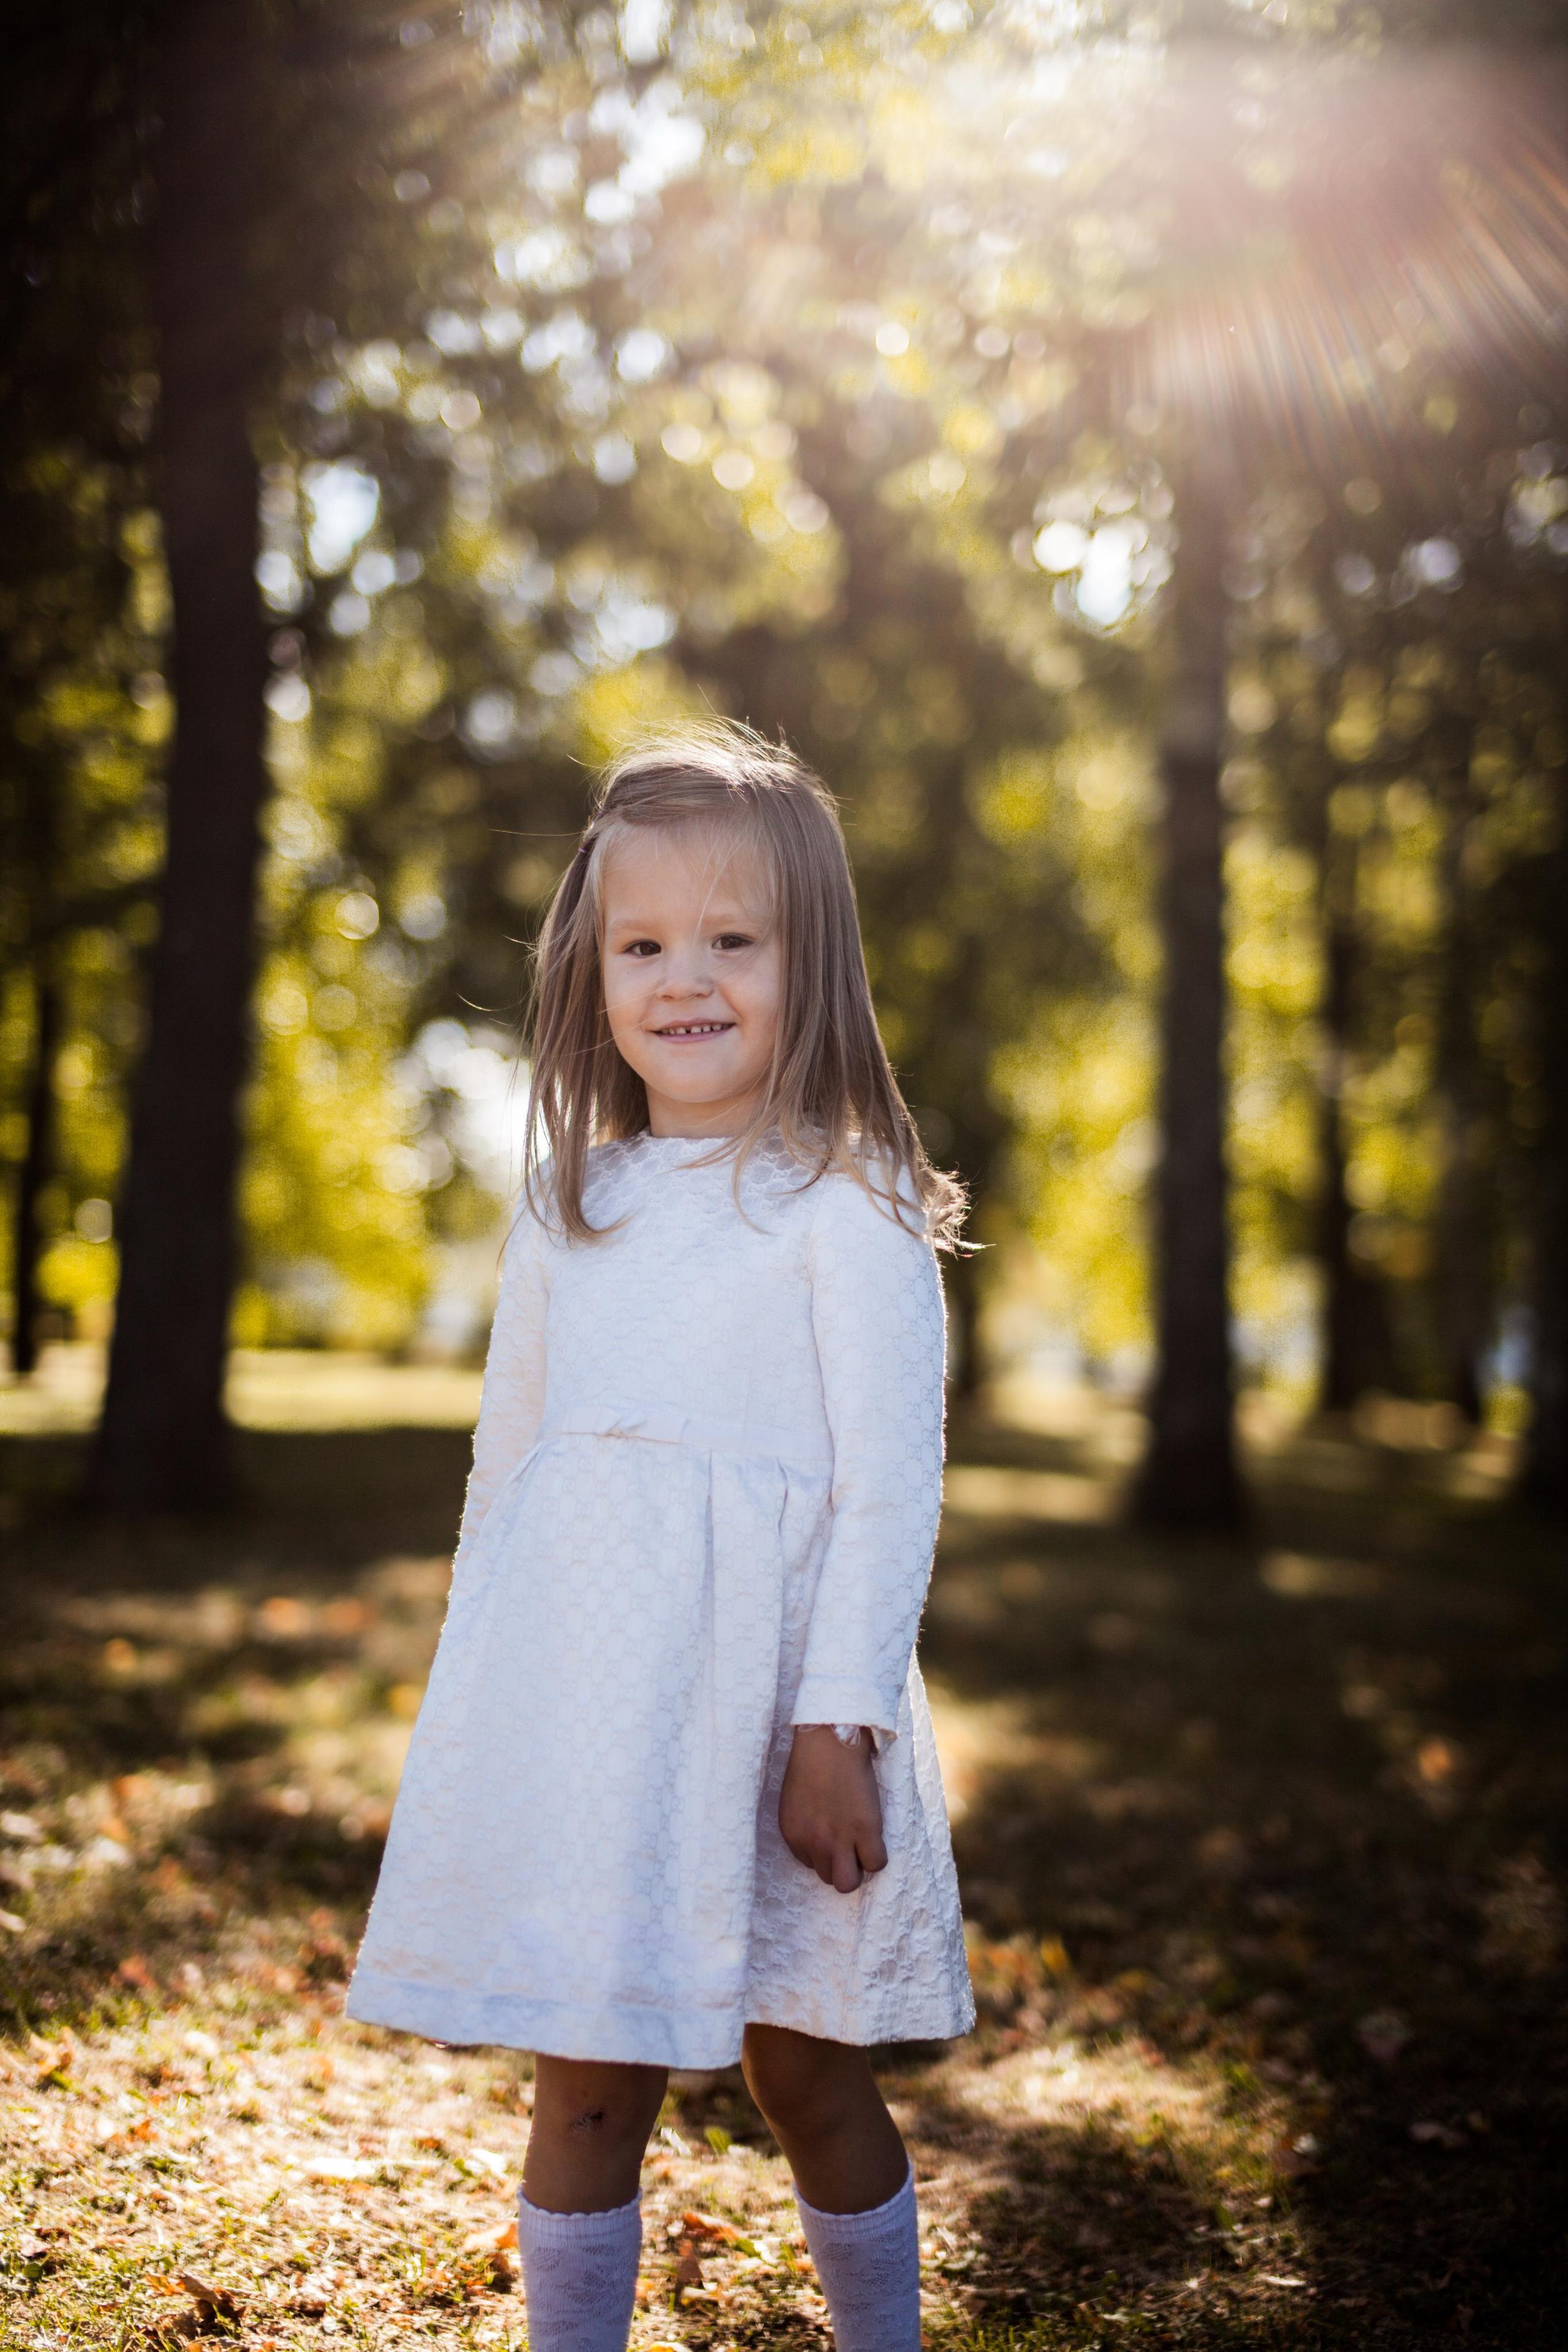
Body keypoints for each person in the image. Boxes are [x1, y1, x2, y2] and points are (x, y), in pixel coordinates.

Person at [345, 724, 973, 2352]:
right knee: (590, 2071)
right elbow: (514, 1463)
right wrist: (487, 1697)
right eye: (644, 946)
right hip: (600, 1723)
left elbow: (888, 1486)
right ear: (595, 970)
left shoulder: (850, 1202)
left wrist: (837, 1725)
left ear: (806, 961)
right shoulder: (576, 1200)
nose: (684, 979)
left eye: (731, 941)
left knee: (805, 2067)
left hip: (785, 1711)